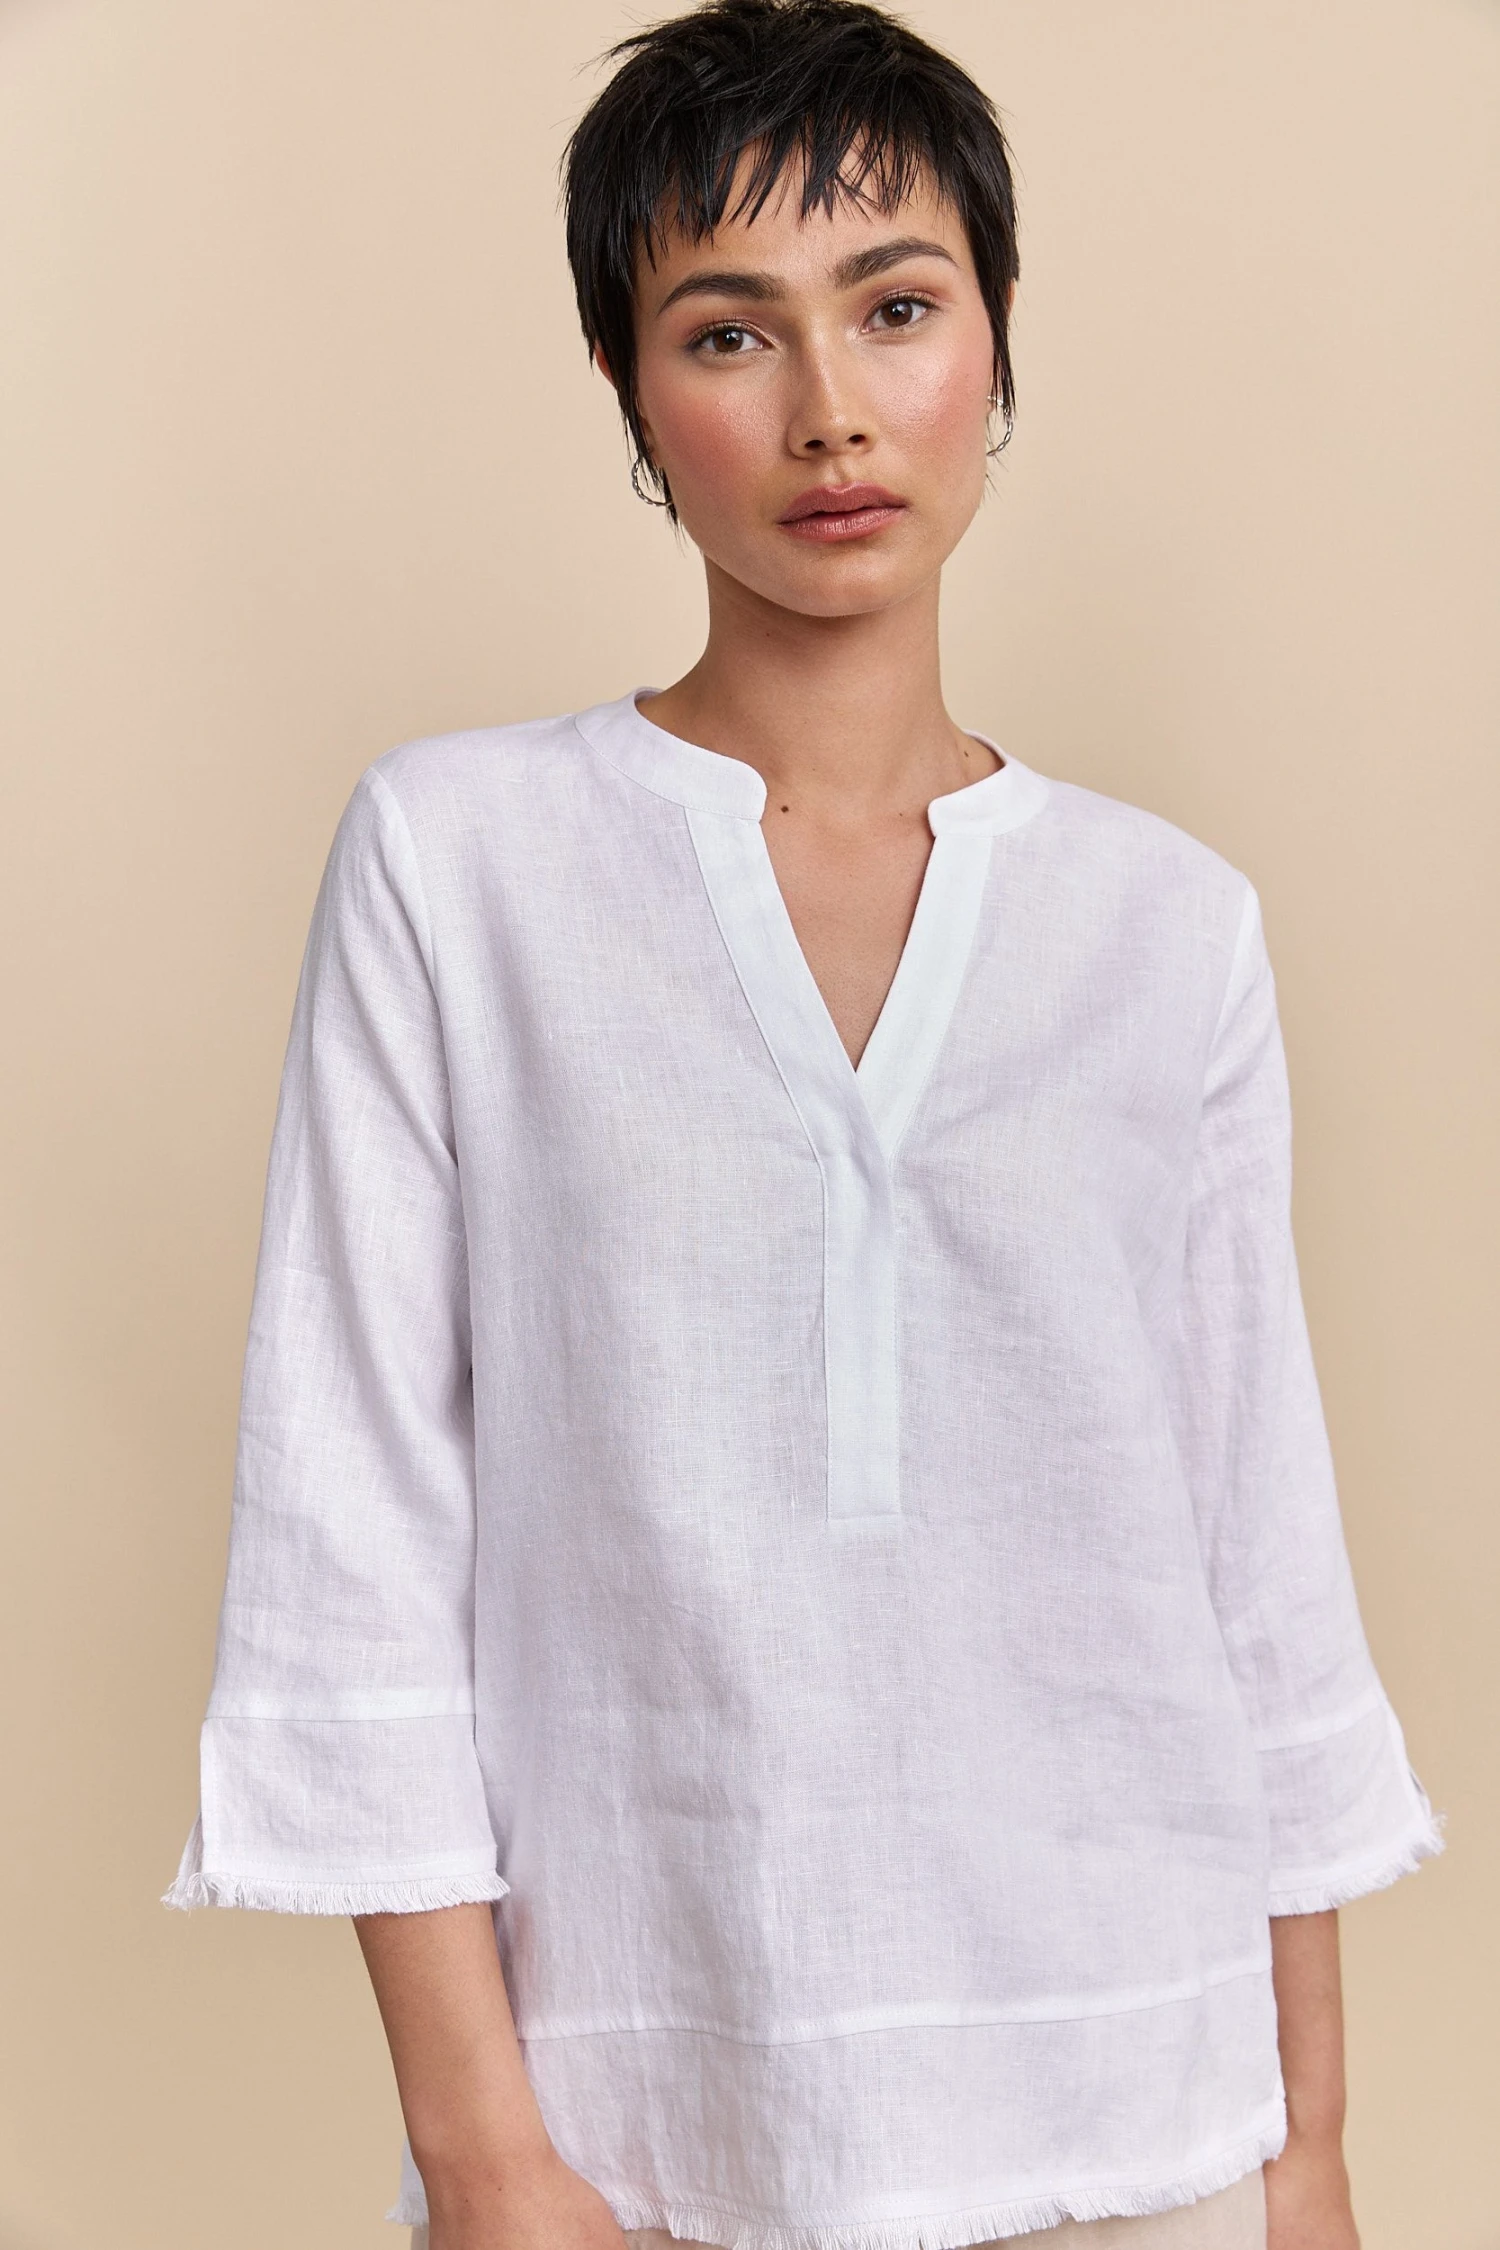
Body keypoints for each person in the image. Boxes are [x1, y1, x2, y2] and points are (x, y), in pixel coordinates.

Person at [161, 4, 1446, 2246]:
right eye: (729, 331)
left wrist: (1310, 2154)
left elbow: (1256, 1568)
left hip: (1152, 2115)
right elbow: (353, 1530)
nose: (831, 408)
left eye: (898, 307)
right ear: (627, 388)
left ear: (997, 335)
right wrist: (484, 2158)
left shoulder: (1171, 928)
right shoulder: (461, 868)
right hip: (644, 2124)